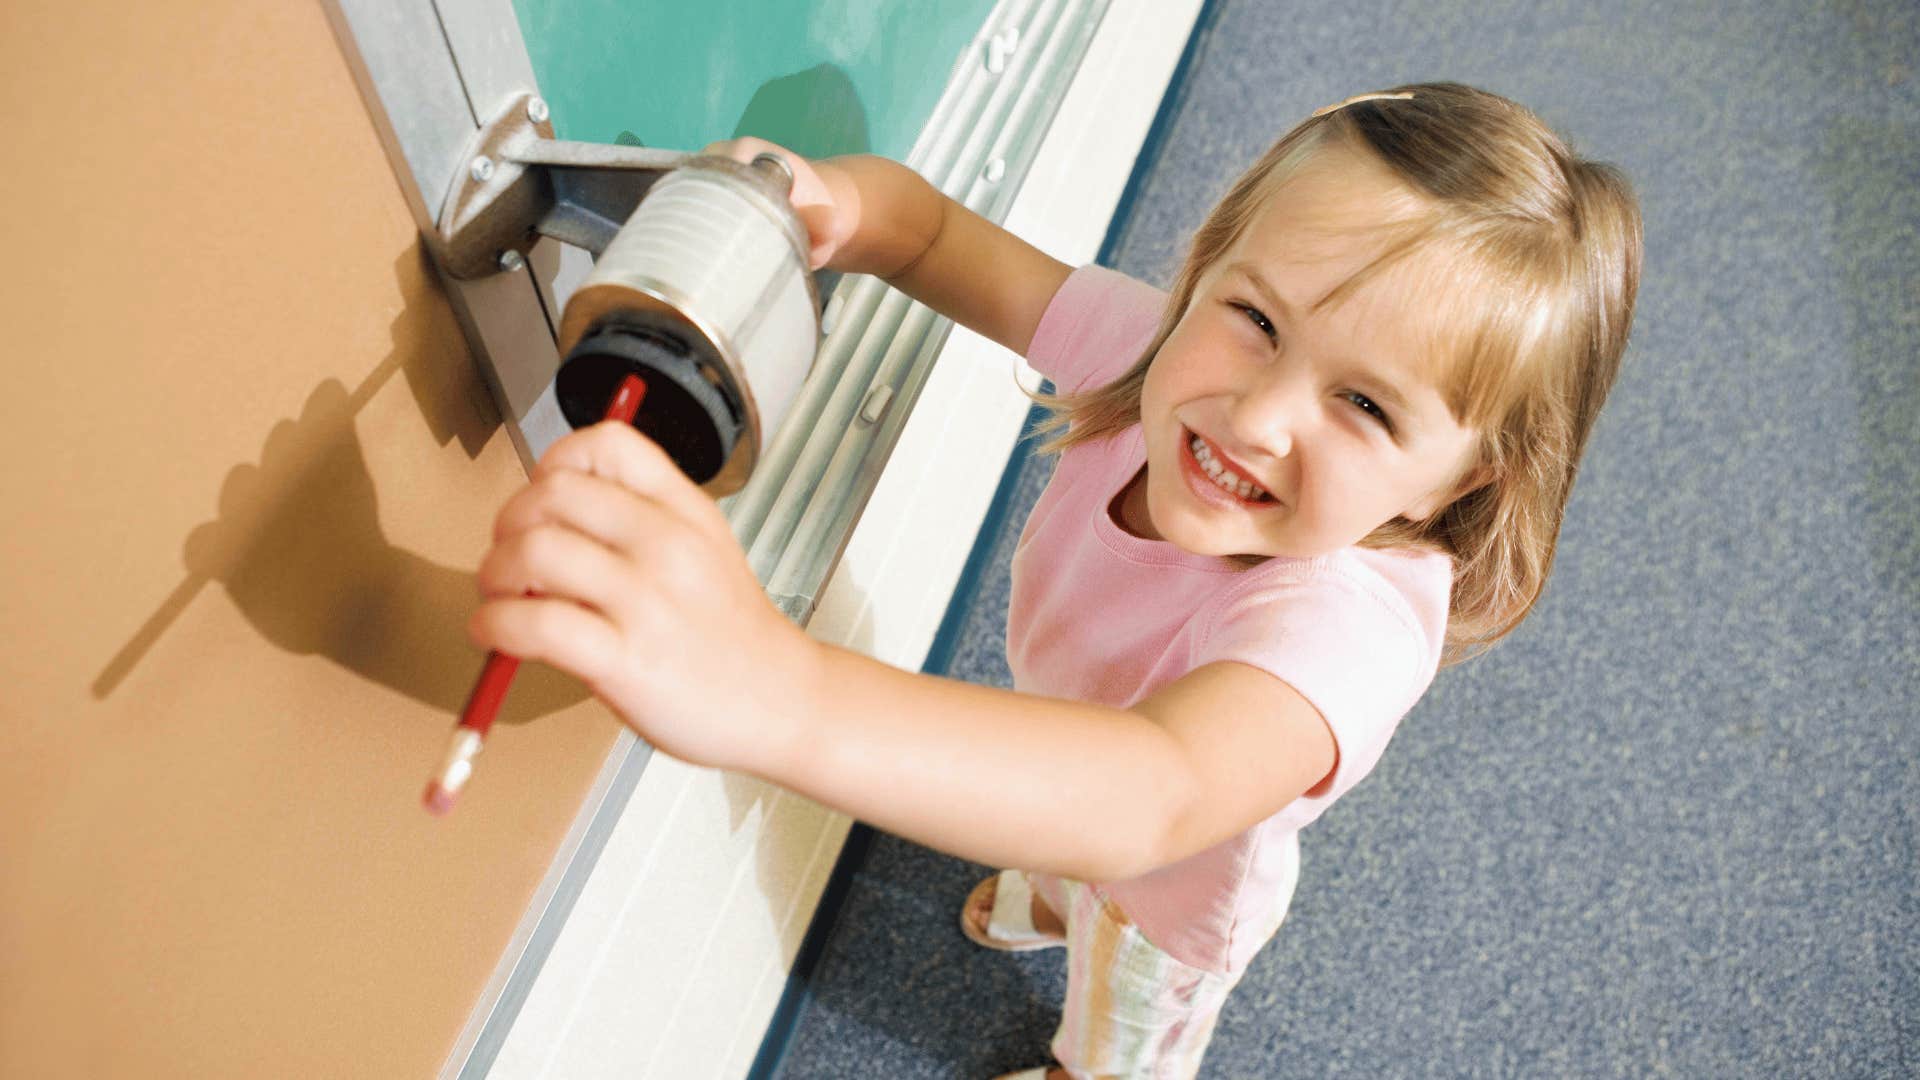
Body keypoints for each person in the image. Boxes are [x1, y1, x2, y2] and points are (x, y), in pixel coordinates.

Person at [467, 82, 1642, 1079]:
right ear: (1207, 271)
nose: (1261, 412)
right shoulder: (1156, 357)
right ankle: (1045, 898)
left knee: (1118, 1015)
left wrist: (775, 687)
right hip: (1066, 748)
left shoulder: (1346, 630)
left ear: (1453, 484)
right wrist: (843, 207)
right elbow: (927, 239)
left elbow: (1151, 797)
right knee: (1049, 848)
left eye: (1367, 405)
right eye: (1253, 316)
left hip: (1168, 899)